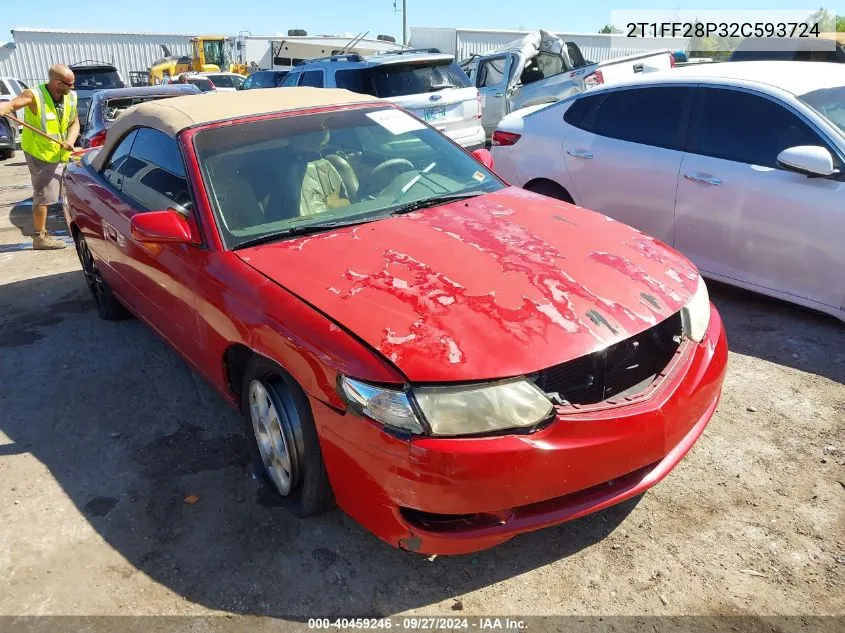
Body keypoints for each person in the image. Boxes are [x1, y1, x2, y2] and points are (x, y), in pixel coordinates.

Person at [0, 64, 79, 249]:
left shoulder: (70, 97)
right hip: (39, 153)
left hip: (60, 151)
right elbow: (14, 103)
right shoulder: (34, 95)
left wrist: (71, 139)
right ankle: (40, 237)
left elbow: (74, 123)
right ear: (57, 83)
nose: (73, 88)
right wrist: (5, 107)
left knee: (58, 192)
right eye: (69, 84)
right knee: (44, 194)